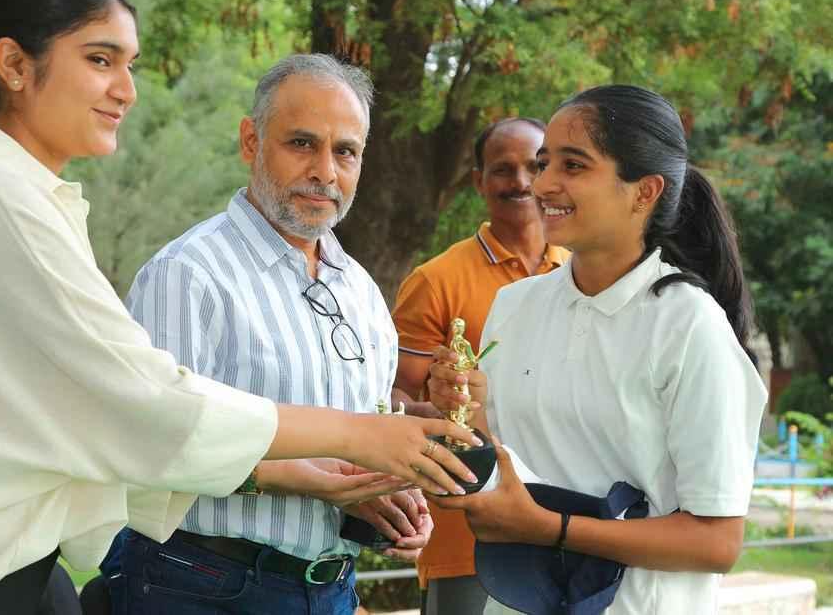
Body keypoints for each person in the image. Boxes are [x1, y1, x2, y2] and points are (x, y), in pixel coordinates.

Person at [0, 0, 479, 615]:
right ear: (14, 65)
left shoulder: (21, 197)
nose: (127, 89)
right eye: (101, 59)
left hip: (8, 566)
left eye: (129, 64)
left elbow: (95, 422)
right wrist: (356, 436)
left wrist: (335, 471)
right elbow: (146, 400)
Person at [97, 53, 438, 615]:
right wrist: (295, 480)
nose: (325, 171)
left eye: (345, 151)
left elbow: (355, 450)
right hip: (199, 584)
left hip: (330, 590)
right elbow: (145, 448)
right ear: (251, 142)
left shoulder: (362, 292)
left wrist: (382, 498)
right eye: (302, 143)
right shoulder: (188, 275)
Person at [428, 85, 767, 613]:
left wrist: (549, 527)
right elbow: (514, 466)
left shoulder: (687, 324)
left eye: (573, 165)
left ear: (644, 191)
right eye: (545, 163)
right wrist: (464, 416)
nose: (542, 184)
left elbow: (717, 542)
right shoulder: (515, 305)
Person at [390, 117, 568, 614]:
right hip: (467, 542)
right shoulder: (436, 280)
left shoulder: (583, 274)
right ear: (478, 180)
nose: (521, 182)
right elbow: (392, 401)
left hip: (570, 531)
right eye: (503, 169)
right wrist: (446, 409)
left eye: (535, 166)